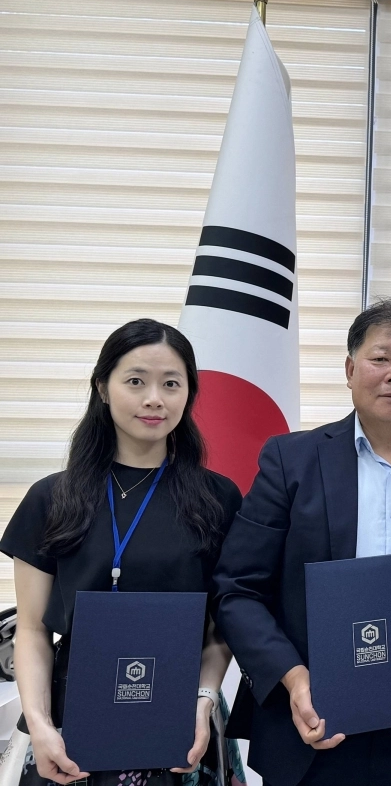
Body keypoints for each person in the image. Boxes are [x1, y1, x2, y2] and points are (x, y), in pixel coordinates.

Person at [213, 298, 391, 786]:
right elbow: (237, 588)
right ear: (349, 368)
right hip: (309, 731)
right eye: (381, 358)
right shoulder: (289, 461)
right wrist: (294, 680)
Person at [0, 319, 243, 786]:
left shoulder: (219, 499)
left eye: (172, 384)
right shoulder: (50, 499)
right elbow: (31, 630)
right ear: (103, 388)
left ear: (188, 395)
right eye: (136, 381)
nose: (155, 398)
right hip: (67, 723)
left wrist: (204, 699)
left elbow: (222, 625)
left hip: (182, 721)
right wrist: (40, 723)